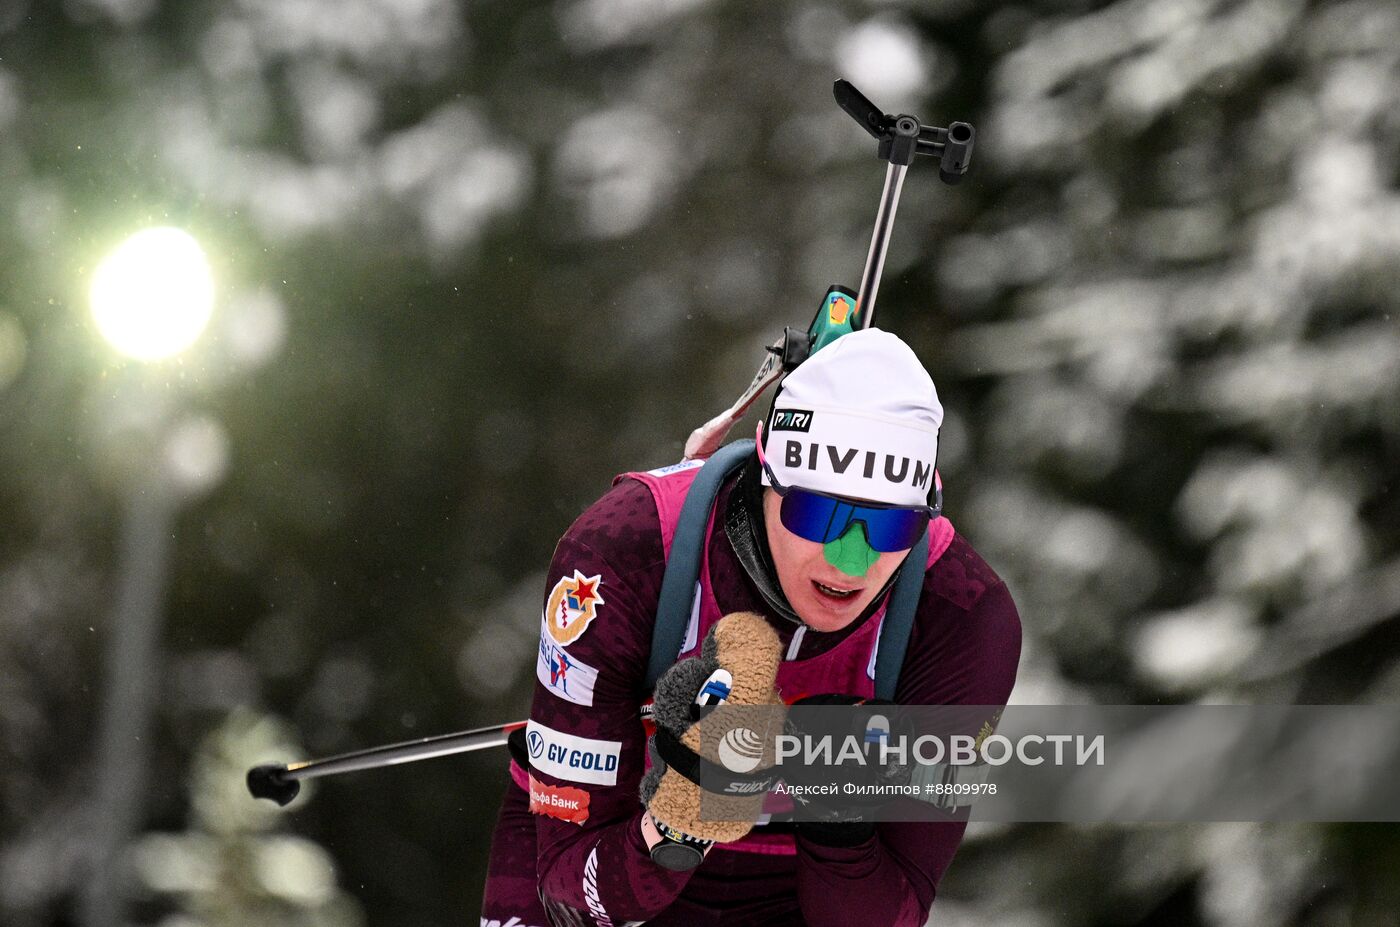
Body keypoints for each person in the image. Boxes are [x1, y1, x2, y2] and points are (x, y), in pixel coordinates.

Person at [480, 328, 1022, 927]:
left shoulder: (964, 614)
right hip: (619, 849)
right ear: (766, 475)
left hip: (800, 885)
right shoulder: (624, 550)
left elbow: (890, 913)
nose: (852, 561)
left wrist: (837, 814)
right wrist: (682, 815)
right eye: (820, 514)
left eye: (891, 526)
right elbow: (567, 877)